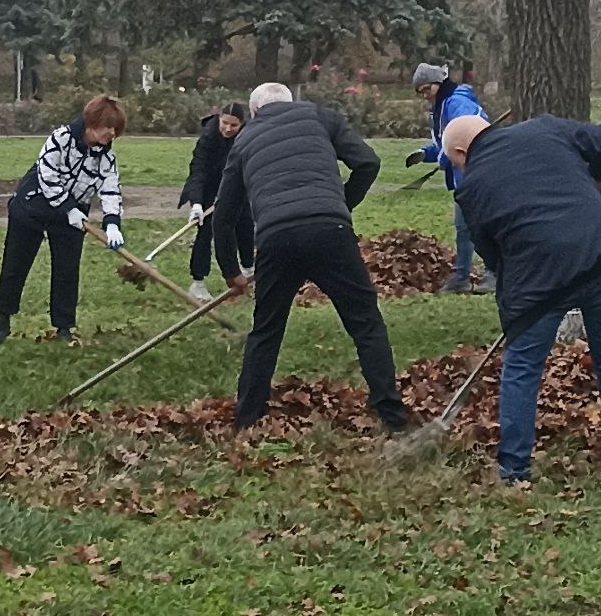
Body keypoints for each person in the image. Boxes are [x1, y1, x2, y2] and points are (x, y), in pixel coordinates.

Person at [214, 83, 409, 431]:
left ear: (254, 112)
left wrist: (232, 272)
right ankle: (392, 417)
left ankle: (247, 421)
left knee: (266, 331)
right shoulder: (320, 116)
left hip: (275, 238)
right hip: (330, 231)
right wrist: (342, 204)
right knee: (366, 323)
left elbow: (224, 216)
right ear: (293, 102)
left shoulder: (244, 139)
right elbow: (368, 162)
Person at [444, 113, 601, 483]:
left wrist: (516, 309)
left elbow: (493, 256)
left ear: (462, 152)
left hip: (538, 283)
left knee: (522, 369)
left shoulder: (471, 189)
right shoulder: (547, 128)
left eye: (455, 163)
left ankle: (514, 471)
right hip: (596, 254)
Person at [0, 95, 126, 344]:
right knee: (15, 265)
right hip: (33, 205)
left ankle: (64, 327)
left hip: (73, 216)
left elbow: (110, 190)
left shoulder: (107, 158)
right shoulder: (61, 138)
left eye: (115, 129)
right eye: (108, 127)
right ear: (91, 122)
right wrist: (68, 209)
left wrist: (112, 223)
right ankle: (3, 319)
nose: (112, 133)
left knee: (67, 271)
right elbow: (48, 176)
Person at [406, 63, 493, 293]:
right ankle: (462, 278)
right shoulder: (440, 106)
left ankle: (493, 274)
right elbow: (445, 141)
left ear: (439, 83)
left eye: (427, 89)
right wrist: (426, 153)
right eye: (420, 92)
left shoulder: (457, 102)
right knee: (464, 227)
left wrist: (445, 155)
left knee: (481, 225)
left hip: (476, 172)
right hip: (462, 176)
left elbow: (466, 135)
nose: (425, 95)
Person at [179, 102, 253, 303]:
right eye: (224, 123)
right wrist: (196, 203)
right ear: (219, 119)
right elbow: (198, 170)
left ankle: (249, 272)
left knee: (245, 224)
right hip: (209, 189)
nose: (228, 129)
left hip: (237, 186)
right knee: (206, 231)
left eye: (234, 125)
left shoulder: (248, 136)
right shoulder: (208, 137)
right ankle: (198, 284)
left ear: (242, 124)